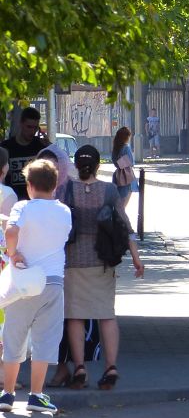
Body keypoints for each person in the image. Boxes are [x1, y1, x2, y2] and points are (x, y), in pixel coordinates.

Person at [56, 144, 143, 391]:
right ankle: (111, 367)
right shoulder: (109, 191)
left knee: (75, 316)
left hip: (72, 262)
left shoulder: (66, 191)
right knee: (106, 314)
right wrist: (136, 259)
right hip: (102, 262)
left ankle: (80, 368)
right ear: (97, 166)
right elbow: (125, 227)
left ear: (75, 165)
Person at [0, 158, 73, 414]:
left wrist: (13, 254)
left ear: (29, 186)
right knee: (45, 339)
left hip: (23, 281)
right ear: (55, 185)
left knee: (14, 336)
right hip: (52, 282)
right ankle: (37, 394)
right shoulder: (64, 211)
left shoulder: (22, 207)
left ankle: (7, 393)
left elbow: (11, 232)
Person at [1, 106, 51, 201]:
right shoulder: (6, 147)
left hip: (35, 202)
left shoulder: (40, 146)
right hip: (12, 200)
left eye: (35, 128)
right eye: (29, 127)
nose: (32, 131)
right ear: (21, 124)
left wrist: (48, 145)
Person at [111, 126, 136, 208]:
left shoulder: (116, 148)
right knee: (123, 204)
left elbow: (115, 162)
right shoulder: (126, 147)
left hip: (117, 175)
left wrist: (119, 164)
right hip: (126, 176)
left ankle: (118, 215)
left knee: (118, 200)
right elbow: (131, 162)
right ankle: (120, 217)